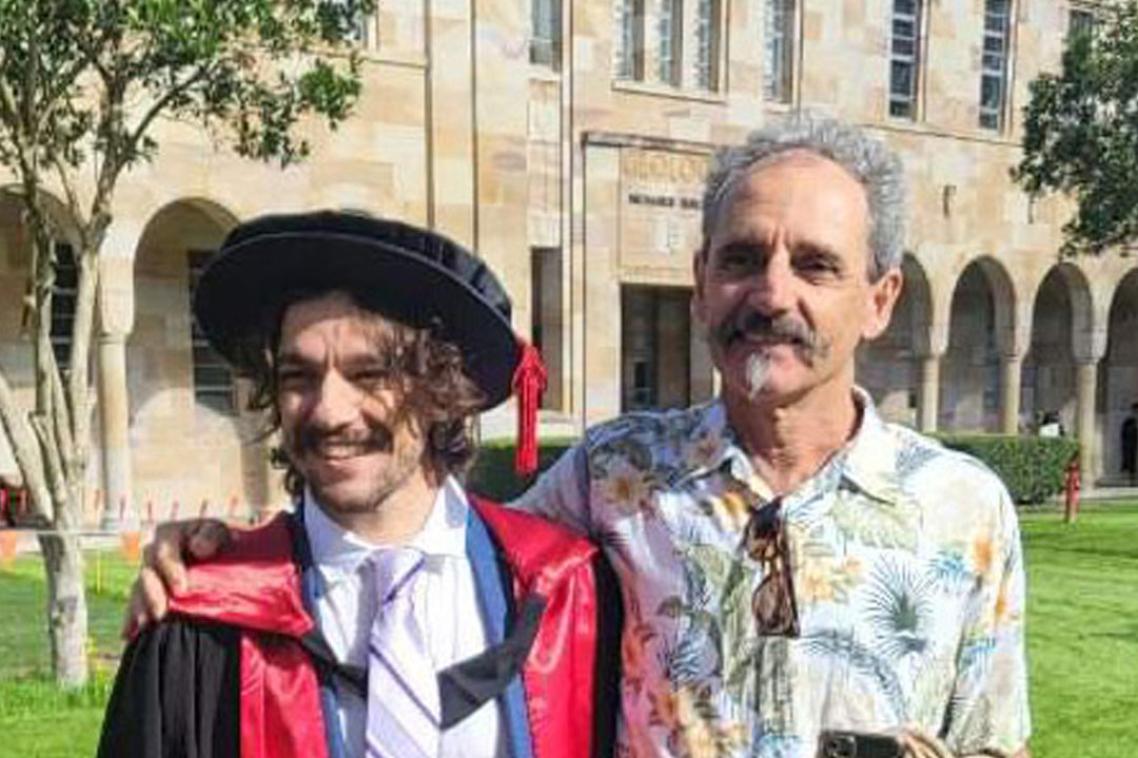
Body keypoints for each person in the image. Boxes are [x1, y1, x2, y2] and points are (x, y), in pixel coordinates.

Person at [125, 118, 1031, 757]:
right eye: (742, 258)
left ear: (880, 300)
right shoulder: (617, 477)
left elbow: (998, 742)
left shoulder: (965, 510)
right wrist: (213, 559)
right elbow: (429, 528)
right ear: (701, 279)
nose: (772, 294)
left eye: (817, 265)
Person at [98, 211, 620, 757]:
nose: (329, 411)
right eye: (298, 377)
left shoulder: (568, 597)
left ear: (440, 387)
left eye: (370, 375)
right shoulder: (200, 629)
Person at [1122, 403, 1138, 484]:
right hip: (1131, 446)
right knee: (1131, 462)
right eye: (1135, 411)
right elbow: (1124, 435)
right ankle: (1132, 480)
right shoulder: (1128, 422)